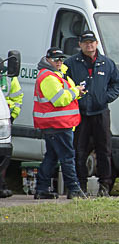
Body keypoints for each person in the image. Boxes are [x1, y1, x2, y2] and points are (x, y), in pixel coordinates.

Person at [64, 31, 119, 196]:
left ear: (96, 43)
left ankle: (105, 186)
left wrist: (105, 97)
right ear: (80, 44)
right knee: (79, 150)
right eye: (85, 42)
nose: (89, 45)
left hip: (100, 112)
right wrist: (73, 98)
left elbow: (117, 82)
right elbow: (62, 84)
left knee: (104, 150)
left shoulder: (107, 63)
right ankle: (79, 186)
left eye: (91, 42)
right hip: (80, 113)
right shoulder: (71, 63)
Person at [32, 47, 88, 199]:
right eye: (56, 59)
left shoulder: (58, 75)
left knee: (52, 157)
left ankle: (42, 189)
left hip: (57, 123)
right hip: (57, 124)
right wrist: (76, 91)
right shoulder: (49, 77)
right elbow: (59, 100)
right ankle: (74, 189)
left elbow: (66, 95)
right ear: (48, 59)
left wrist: (77, 92)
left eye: (61, 59)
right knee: (67, 157)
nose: (59, 62)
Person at [0, 67, 23, 198]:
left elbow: (18, 97)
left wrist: (11, 115)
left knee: (3, 156)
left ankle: (1, 185)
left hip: (3, 119)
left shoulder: (9, 77)